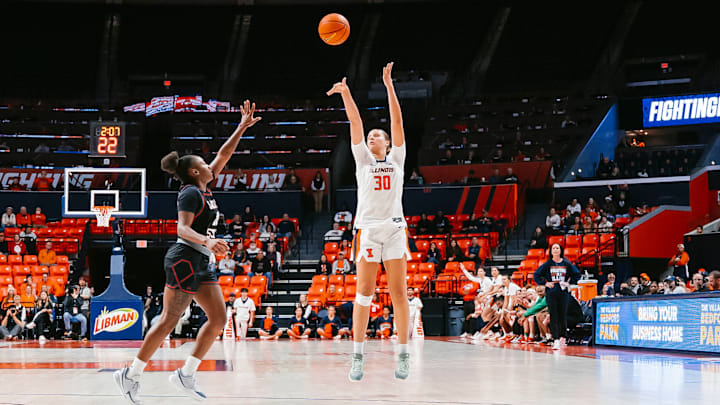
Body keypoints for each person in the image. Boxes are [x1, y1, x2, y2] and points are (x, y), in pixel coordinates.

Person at [114, 100, 261, 403]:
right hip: (184, 258)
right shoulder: (191, 192)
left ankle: (186, 374)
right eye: (206, 165)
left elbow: (224, 154)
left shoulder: (203, 186)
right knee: (169, 319)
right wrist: (208, 241)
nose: (212, 166)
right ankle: (131, 374)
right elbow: (181, 229)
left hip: (200, 261)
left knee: (219, 318)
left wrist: (241, 126)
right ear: (196, 171)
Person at [328, 63, 411, 381]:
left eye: (380, 135)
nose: (374, 136)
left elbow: (397, 120)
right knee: (363, 292)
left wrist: (389, 85)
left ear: (388, 144)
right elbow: (355, 122)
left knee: (399, 293)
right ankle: (357, 356)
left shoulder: (397, 159)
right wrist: (346, 93)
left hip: (394, 228)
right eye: (372, 135)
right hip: (367, 230)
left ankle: (403, 355)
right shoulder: (362, 159)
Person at [533, 243, 581, 350]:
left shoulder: (567, 264)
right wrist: (545, 283)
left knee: (562, 315)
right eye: (553, 248)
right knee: (553, 315)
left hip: (563, 292)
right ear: (551, 251)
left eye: (557, 248)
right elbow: (536, 274)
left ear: (560, 251)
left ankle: (563, 336)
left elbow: (577, 274)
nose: (555, 250)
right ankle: (555, 339)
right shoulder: (547, 264)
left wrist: (569, 283)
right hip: (551, 293)